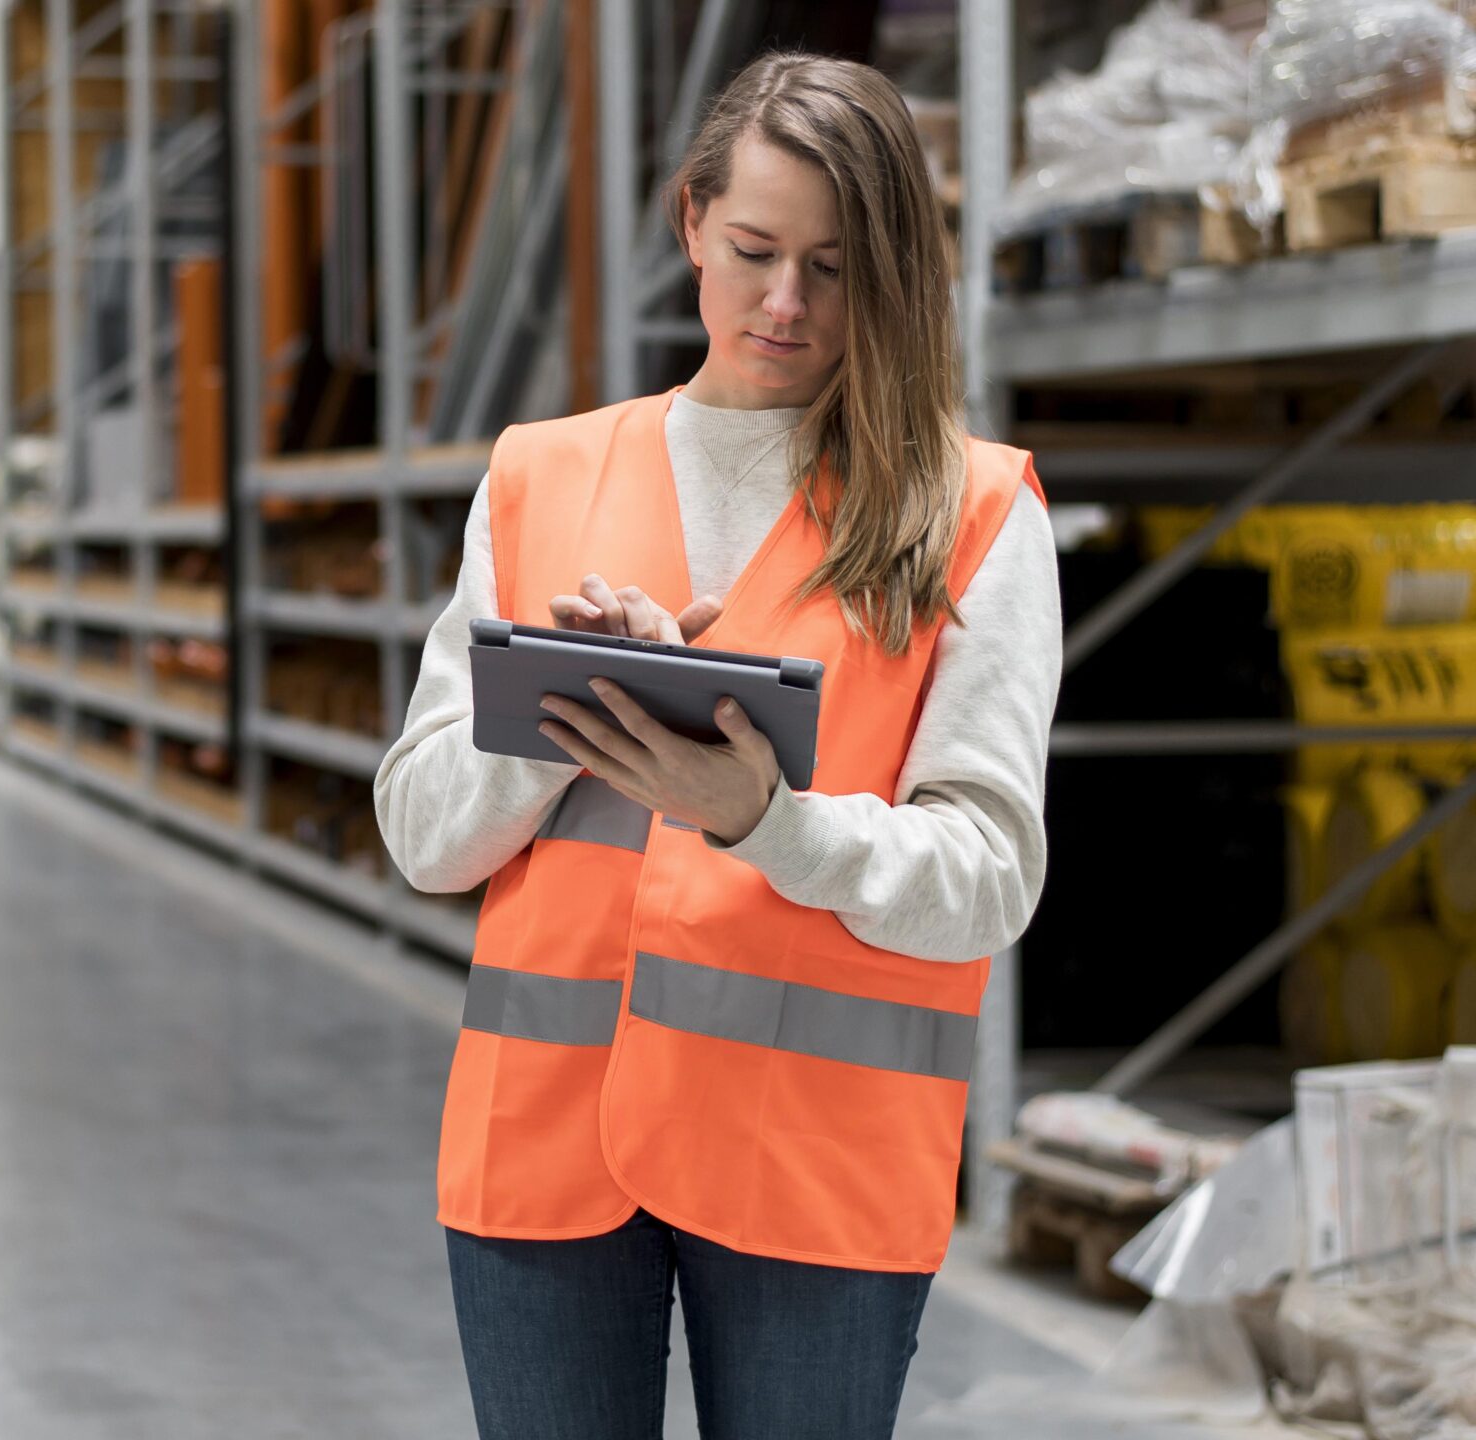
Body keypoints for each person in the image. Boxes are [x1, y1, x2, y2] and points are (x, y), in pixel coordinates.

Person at [372, 52, 1065, 1440]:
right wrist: (573, 712)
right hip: (548, 1145)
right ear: (691, 222)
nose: (786, 303)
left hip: (815, 1159)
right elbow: (423, 837)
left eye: (833, 266)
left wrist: (769, 821)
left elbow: (991, 876)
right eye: (753, 251)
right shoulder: (540, 476)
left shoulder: (972, 511)